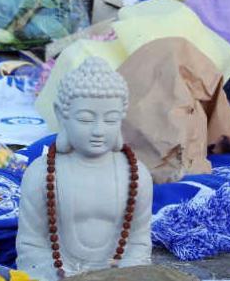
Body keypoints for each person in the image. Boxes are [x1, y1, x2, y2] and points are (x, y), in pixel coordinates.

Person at [17, 57, 152, 279]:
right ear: (62, 114)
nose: (99, 130)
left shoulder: (136, 175)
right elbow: (31, 245)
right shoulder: (41, 174)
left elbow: (138, 242)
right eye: (86, 119)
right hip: (59, 274)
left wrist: (124, 274)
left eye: (110, 120)